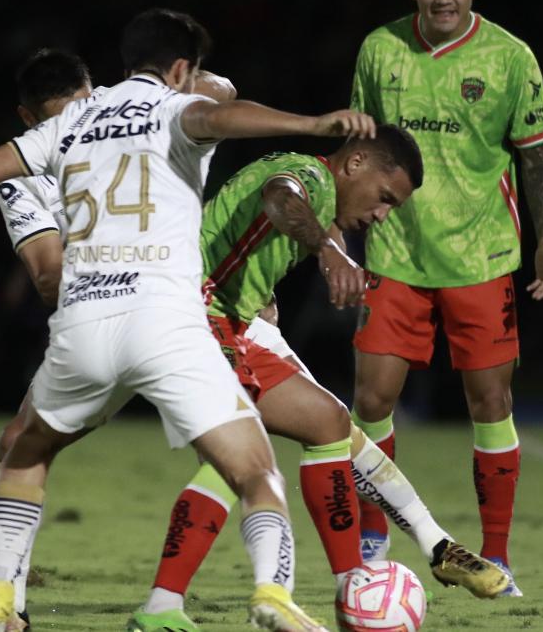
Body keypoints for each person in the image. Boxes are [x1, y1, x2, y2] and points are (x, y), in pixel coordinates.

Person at [0, 8, 376, 632]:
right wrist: (312, 122)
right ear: (181, 68)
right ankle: (273, 594)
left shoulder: (67, 123)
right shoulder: (172, 108)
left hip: (84, 325)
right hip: (167, 323)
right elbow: (220, 113)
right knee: (254, 468)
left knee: (23, 451)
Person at [130, 129, 511, 630]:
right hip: (190, 315)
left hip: (231, 322)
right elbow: (278, 197)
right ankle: (169, 607)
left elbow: (249, 233)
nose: (382, 215)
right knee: (238, 461)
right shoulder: (309, 177)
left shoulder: (323, 205)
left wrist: (265, 293)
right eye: (384, 198)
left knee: (329, 423)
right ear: (354, 164)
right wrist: (329, 253)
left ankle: (359, 579)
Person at [347, 0, 543, 596]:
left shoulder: (509, 57)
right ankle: (374, 545)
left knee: (490, 405)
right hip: (395, 252)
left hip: (482, 256)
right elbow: (357, 150)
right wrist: (341, 231)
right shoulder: (379, 49)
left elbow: (537, 155)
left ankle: (497, 556)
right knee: (371, 401)